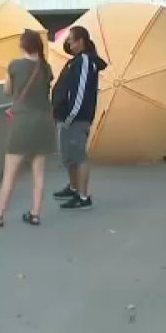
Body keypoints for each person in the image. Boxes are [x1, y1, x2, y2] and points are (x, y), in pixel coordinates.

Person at [0, 29, 56, 227]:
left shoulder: (15, 65)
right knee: (38, 172)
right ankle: (35, 213)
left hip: (22, 122)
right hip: (44, 122)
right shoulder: (46, 68)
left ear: (22, 46)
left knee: (10, 173)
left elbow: (7, 91)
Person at [51, 25, 108, 209]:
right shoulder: (76, 61)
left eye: (71, 39)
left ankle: (83, 197)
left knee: (78, 156)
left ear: (80, 41)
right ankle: (74, 188)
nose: (68, 42)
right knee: (69, 156)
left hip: (75, 118)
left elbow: (80, 93)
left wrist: (70, 117)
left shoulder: (83, 61)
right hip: (68, 117)